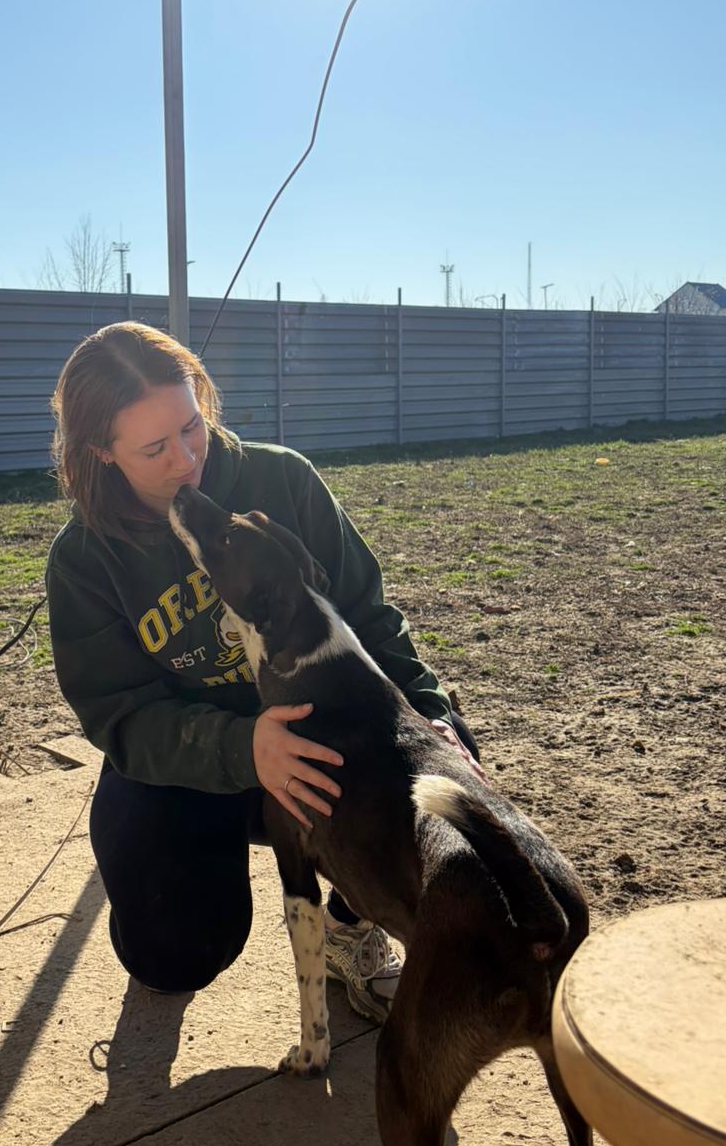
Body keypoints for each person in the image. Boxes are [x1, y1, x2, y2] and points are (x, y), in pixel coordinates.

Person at [46, 321, 479, 1024]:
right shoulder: (85, 558)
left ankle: (347, 926)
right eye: (154, 448)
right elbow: (118, 714)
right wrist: (243, 747)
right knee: (172, 954)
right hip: (193, 757)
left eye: (192, 426)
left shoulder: (282, 480)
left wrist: (431, 714)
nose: (187, 458)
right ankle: (183, 891)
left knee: (444, 777)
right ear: (101, 451)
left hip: (321, 745)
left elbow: (368, 617)